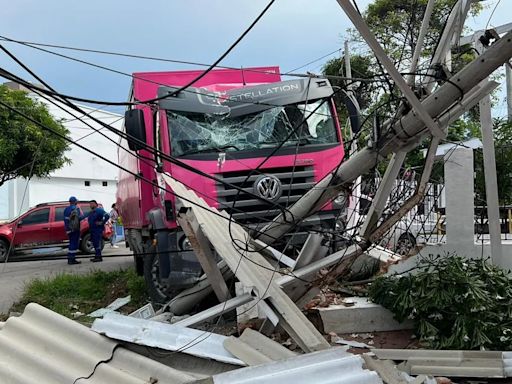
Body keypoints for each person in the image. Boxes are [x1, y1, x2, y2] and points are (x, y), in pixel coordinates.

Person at [63, 196, 83, 265]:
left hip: (68, 229)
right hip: (74, 229)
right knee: (74, 244)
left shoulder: (66, 209)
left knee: (71, 243)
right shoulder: (75, 208)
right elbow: (78, 218)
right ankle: (72, 259)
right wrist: (85, 216)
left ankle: (70, 259)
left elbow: (66, 220)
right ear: (75, 202)